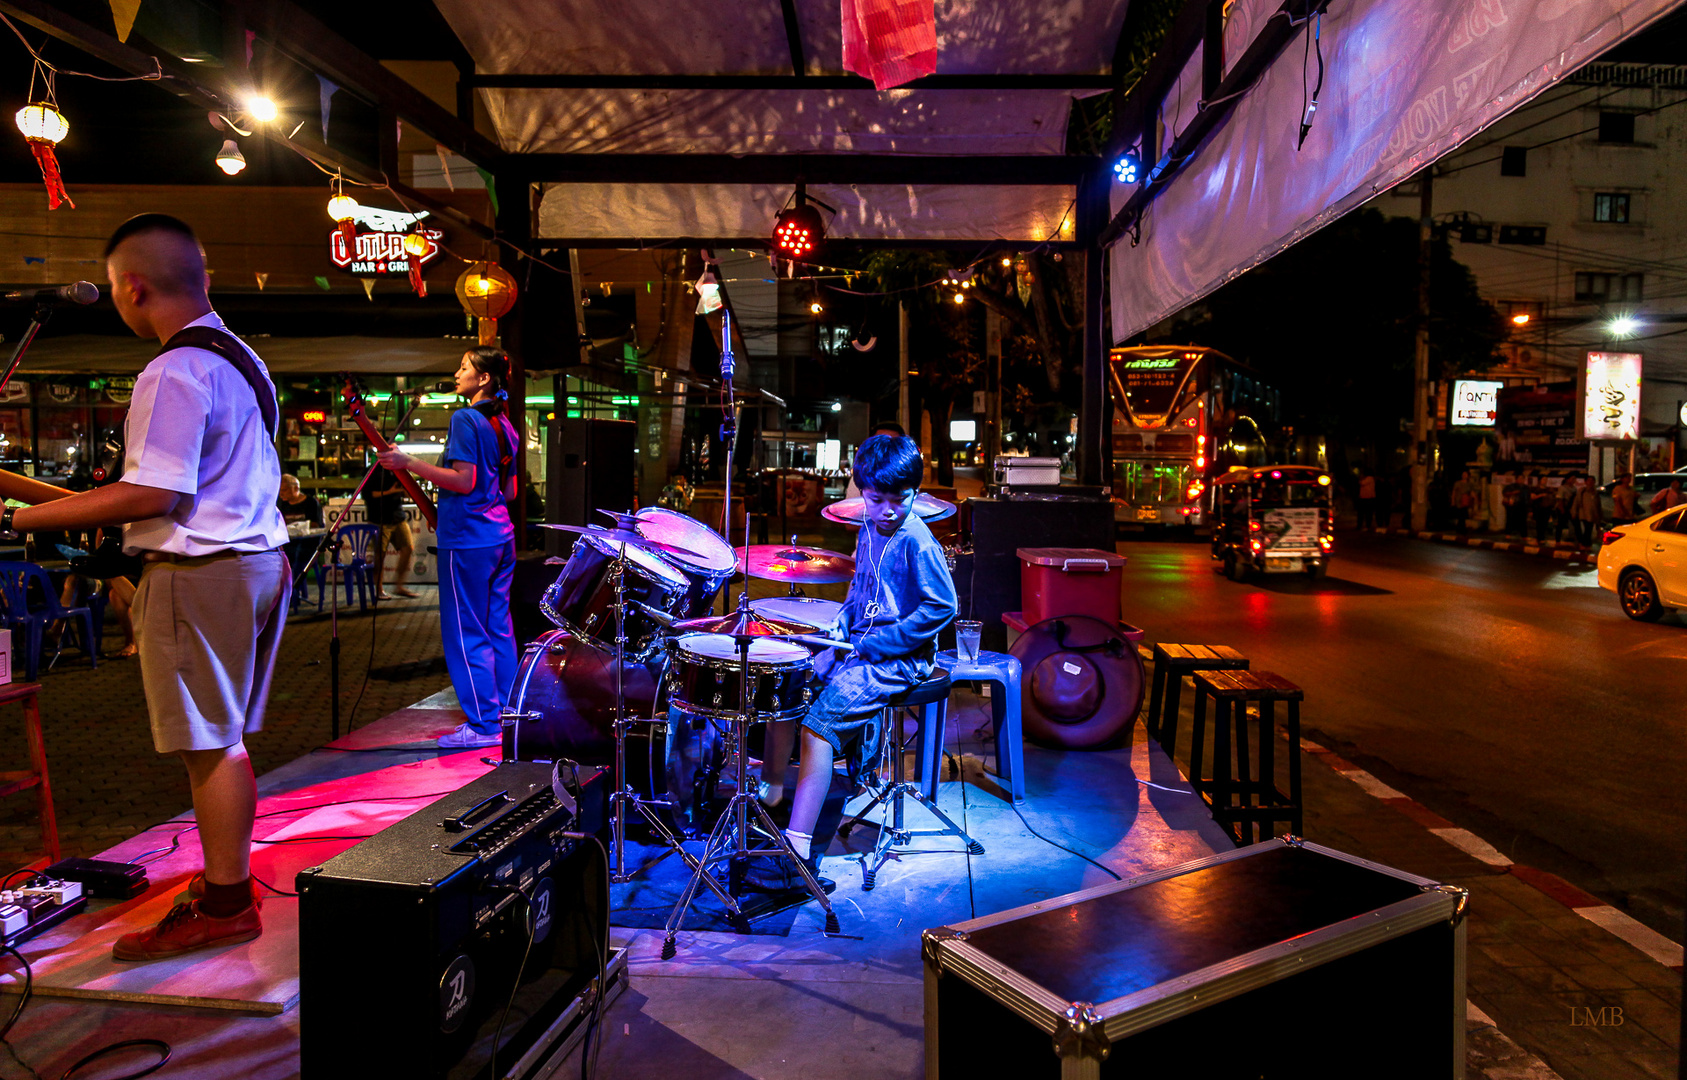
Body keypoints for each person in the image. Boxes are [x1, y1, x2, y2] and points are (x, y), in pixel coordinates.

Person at [0, 214, 289, 960]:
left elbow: (154, 495)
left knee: (210, 746)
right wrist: (31, 501)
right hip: (253, 565)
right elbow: (162, 488)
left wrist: (24, 519)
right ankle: (227, 883)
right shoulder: (237, 358)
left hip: (201, 574)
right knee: (221, 743)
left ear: (130, 287)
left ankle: (226, 904)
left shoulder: (173, 369)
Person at [749, 433, 958, 892]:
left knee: (818, 725)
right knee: (788, 683)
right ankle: (772, 792)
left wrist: (880, 643)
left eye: (898, 500)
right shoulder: (868, 527)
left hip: (899, 660)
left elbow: (942, 607)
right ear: (860, 491)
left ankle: (799, 854)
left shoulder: (916, 541)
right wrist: (839, 632)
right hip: (861, 648)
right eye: (876, 498)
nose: (886, 510)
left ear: (914, 495)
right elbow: (859, 594)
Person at [378, 347, 518, 749]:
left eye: (464, 367)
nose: (457, 373)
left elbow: (463, 481)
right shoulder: (504, 424)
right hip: (500, 536)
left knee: (465, 631)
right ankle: (509, 714)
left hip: (468, 540)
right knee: (498, 628)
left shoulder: (466, 419)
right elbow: (506, 490)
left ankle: (484, 725)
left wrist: (407, 463)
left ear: (484, 378)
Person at [363, 465, 418, 600]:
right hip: (379, 518)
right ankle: (379, 589)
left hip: (398, 516)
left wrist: (406, 489)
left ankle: (399, 586)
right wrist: (390, 491)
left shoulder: (398, 470)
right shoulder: (372, 471)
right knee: (380, 555)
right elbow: (369, 495)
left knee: (408, 548)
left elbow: (406, 492)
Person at [1569, 474, 1602, 548]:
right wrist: (1574, 512)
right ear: (1586, 482)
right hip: (1583, 514)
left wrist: (1599, 515)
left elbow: (1598, 505)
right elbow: (1576, 502)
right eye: (1589, 480)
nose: (1590, 482)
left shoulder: (1595, 492)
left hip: (1593, 514)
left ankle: (1585, 544)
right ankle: (1585, 544)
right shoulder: (1582, 491)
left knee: (1589, 529)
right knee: (1587, 529)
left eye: (1592, 481)